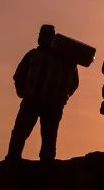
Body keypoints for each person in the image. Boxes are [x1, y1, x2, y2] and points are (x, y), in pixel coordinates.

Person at [7, 25, 79, 162]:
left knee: (41, 136)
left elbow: (19, 75)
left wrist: (23, 92)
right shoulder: (65, 60)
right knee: (36, 135)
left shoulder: (39, 56)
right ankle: (20, 160)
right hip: (41, 102)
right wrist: (63, 97)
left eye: (42, 35)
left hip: (42, 103)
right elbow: (74, 83)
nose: (40, 38)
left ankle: (16, 160)